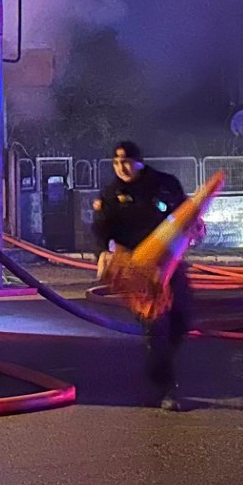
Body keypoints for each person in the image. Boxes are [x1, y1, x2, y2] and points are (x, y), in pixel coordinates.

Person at [92, 140, 192, 410]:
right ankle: (165, 388)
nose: (121, 167)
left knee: (182, 320)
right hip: (138, 269)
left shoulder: (164, 184)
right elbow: (102, 229)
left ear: (139, 160)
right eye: (115, 162)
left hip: (170, 264)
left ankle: (161, 366)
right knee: (157, 325)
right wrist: (104, 251)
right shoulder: (112, 194)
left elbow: (185, 214)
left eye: (126, 161)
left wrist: (194, 228)